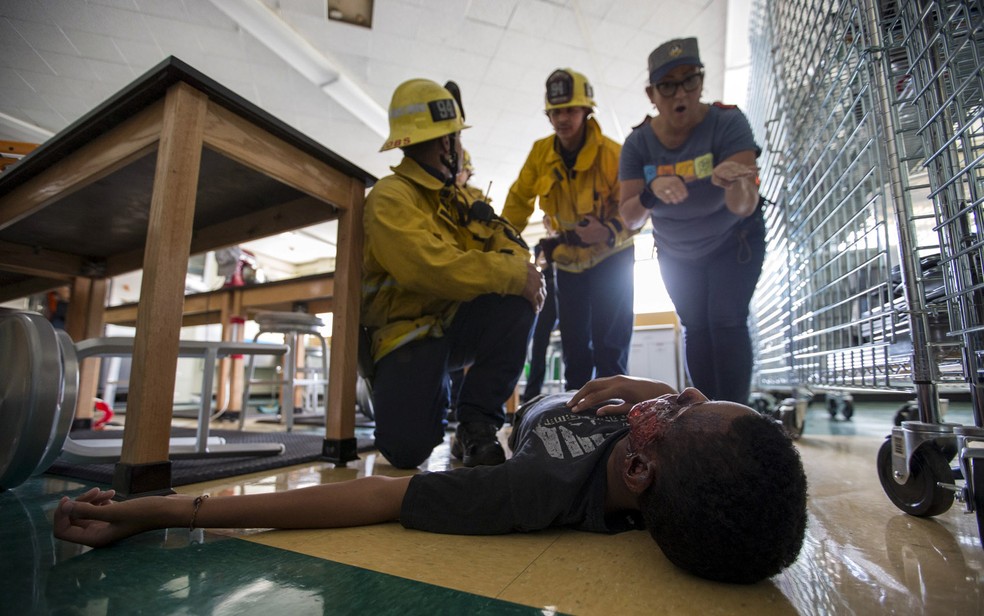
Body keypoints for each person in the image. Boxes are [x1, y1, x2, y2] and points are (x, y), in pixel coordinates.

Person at [52, 376, 808, 585]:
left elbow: (380, 494)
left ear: (638, 470)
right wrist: (632, 386)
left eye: (677, 408)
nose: (683, 394)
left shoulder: (532, 494)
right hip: (590, 394)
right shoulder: (672, 462)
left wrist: (167, 511)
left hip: (539, 406)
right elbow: (680, 409)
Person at [363, 78, 545, 469]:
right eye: (455, 137)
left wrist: (518, 275)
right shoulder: (390, 196)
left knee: (516, 303)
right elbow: (429, 268)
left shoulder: (465, 199)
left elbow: (511, 246)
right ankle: (416, 392)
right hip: (405, 337)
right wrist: (513, 273)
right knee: (407, 452)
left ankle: (476, 423)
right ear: (447, 142)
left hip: (453, 323)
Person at [618, 38, 765, 405]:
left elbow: (745, 206)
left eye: (690, 80)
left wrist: (737, 181)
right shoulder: (637, 145)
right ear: (652, 93)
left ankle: (736, 419)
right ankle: (708, 415)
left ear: (701, 81)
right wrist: (651, 191)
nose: (679, 93)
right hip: (677, 251)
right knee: (696, 327)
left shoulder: (728, 122)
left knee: (727, 320)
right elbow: (630, 218)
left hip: (733, 242)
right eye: (667, 85)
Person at [502, 69, 637, 391]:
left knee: (610, 348)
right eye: (556, 111)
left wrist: (608, 231)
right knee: (575, 350)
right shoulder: (540, 153)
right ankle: (578, 417)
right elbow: (519, 200)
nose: (563, 119)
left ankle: (615, 421)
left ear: (586, 111)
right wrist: (504, 247)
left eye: (570, 110)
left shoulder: (614, 154)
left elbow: (635, 208)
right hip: (568, 264)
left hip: (613, 258)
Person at [522, 228, 559, 402]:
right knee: (539, 345)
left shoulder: (571, 240)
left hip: (567, 291)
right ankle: (531, 394)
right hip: (548, 293)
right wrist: (550, 243)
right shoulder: (540, 246)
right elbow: (540, 264)